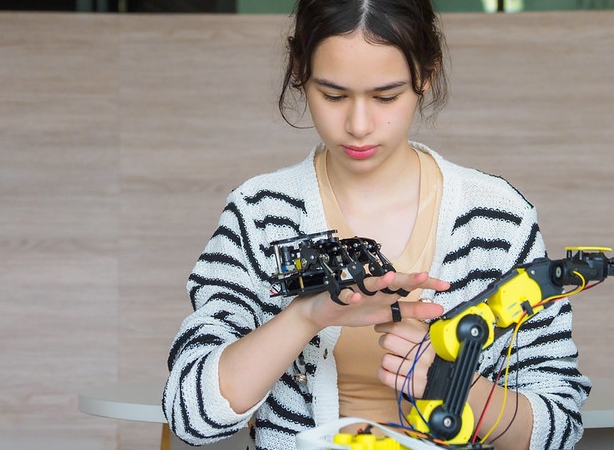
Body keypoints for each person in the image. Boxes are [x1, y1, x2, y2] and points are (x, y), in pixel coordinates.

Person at [162, 0, 591, 449]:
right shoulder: (262, 213)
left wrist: (454, 383)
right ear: (299, 71)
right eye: (333, 95)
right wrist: (307, 316)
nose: (359, 125)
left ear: (426, 74)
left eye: (386, 97)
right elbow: (191, 417)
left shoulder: (497, 218)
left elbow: (557, 428)